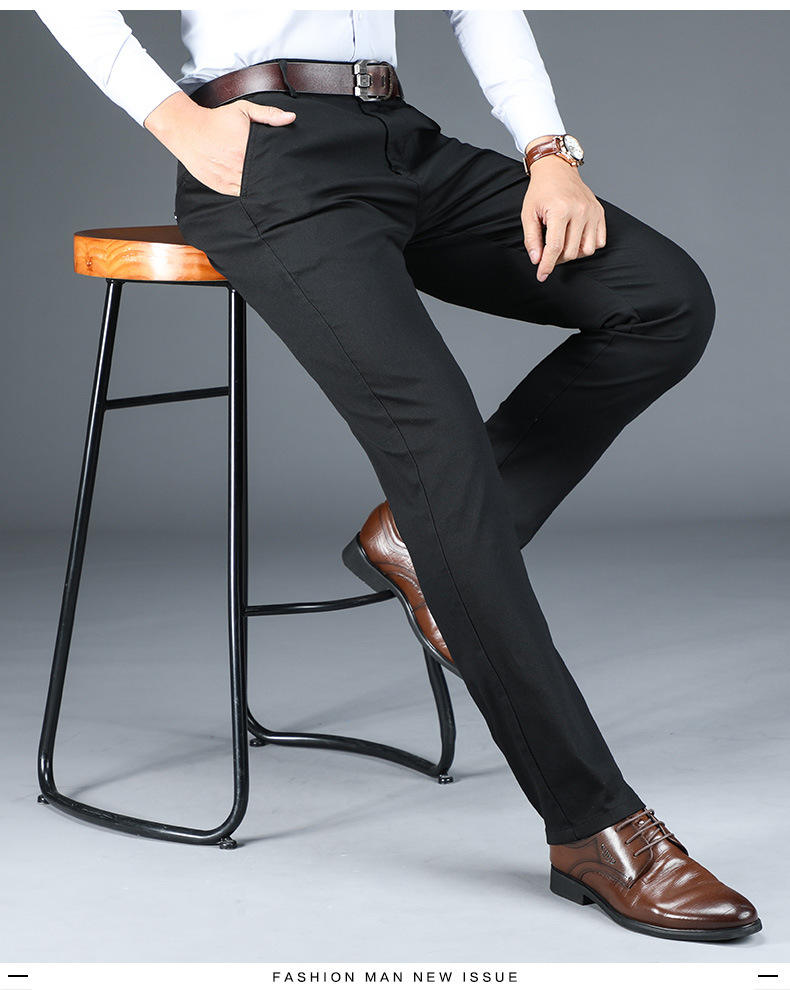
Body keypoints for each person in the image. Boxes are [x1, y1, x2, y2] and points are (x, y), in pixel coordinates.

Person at [36, 9, 761, 942]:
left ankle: (424, 545)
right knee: (440, 451)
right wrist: (170, 117)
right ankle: (595, 828)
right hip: (267, 156)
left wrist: (548, 152)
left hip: (400, 140)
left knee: (663, 300)